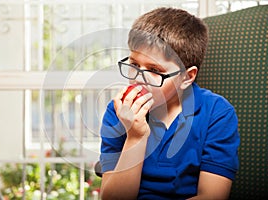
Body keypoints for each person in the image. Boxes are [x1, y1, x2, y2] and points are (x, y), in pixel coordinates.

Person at [99, 7, 240, 200]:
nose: (139, 78)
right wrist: (135, 136)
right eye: (133, 65)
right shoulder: (118, 112)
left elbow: (213, 196)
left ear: (186, 77)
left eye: (155, 70)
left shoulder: (217, 113)